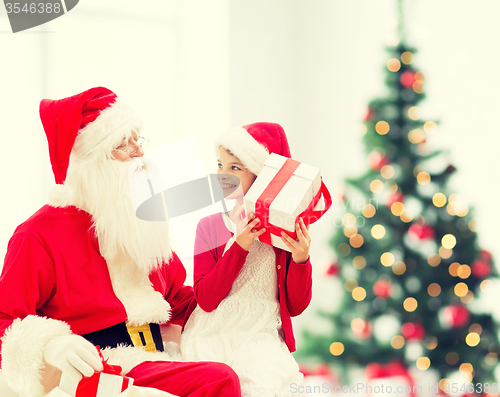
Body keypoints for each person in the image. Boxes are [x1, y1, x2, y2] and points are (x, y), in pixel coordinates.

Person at [0, 87, 241, 397]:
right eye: (122, 144)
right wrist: (51, 344)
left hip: (158, 355)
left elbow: (178, 298)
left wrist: (239, 276)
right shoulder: (38, 234)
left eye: (137, 139)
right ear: (91, 161)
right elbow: (5, 320)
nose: (138, 152)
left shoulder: (140, 219)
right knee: (217, 380)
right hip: (104, 365)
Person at [180, 123, 313, 397]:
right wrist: (239, 245)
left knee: (262, 381)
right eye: (219, 165)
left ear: (261, 177)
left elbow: (296, 305)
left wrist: (301, 260)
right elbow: (205, 298)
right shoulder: (210, 227)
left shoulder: (283, 234)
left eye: (235, 168)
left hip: (262, 334)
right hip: (213, 331)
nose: (222, 175)